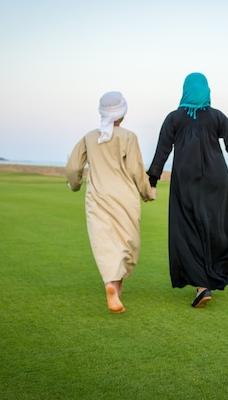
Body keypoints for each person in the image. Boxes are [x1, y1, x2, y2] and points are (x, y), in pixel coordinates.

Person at [147, 72, 228, 308]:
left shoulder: (174, 118)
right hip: (215, 179)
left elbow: (162, 151)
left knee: (187, 229)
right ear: (206, 90)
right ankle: (211, 276)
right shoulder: (216, 117)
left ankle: (201, 284)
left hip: (186, 181)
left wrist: (152, 180)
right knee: (214, 226)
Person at [66, 91, 155, 313]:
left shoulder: (89, 137)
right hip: (125, 198)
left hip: (97, 198)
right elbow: (136, 169)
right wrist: (147, 191)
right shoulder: (129, 137)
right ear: (122, 114)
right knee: (127, 243)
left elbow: (73, 167)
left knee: (105, 242)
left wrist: (74, 185)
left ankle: (111, 285)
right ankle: (114, 286)